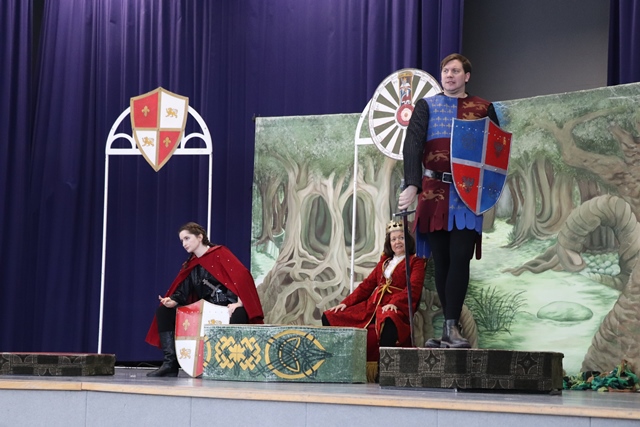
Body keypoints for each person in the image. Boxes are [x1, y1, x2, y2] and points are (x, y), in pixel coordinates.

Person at [398, 53, 500, 349]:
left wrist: (489, 192)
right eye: (445, 71)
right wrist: (412, 184)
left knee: (460, 256)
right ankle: (448, 330)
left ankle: (452, 326)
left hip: (467, 194)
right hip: (434, 192)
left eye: (455, 71)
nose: (449, 75)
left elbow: (495, 150)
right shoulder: (426, 106)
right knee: (441, 260)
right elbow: (413, 145)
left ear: (466, 76)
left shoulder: (483, 108)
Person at [145, 222, 264, 377]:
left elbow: (242, 277)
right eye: (182, 240)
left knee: (240, 313)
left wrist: (238, 303)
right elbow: (183, 290)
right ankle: (170, 364)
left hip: (227, 307)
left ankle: (230, 366)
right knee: (164, 312)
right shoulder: (192, 264)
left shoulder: (220, 253)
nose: (184, 243)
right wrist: (173, 300)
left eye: (187, 238)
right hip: (205, 311)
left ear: (200, 237)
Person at [322, 220, 425, 378]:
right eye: (393, 239)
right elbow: (366, 286)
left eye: (401, 238)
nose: (397, 242)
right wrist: (345, 304)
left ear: (408, 240)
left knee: (389, 319)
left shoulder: (415, 261)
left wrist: (395, 303)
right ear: (389, 243)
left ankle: (384, 372)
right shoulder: (384, 263)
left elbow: (414, 288)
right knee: (329, 316)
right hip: (372, 307)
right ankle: (340, 366)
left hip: (397, 308)